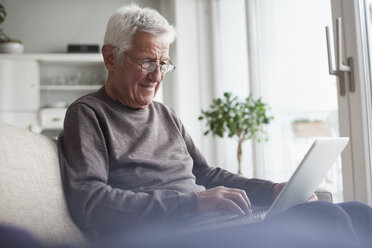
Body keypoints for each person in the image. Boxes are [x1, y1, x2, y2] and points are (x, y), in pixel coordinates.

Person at [58, 5, 372, 248]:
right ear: (110, 58)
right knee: (324, 217)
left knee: (360, 212)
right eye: (146, 63)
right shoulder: (88, 115)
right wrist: (194, 202)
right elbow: (91, 202)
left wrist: (273, 191)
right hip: (164, 235)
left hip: (211, 224)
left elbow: (207, 176)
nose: (157, 75)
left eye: (163, 63)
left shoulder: (166, 115)